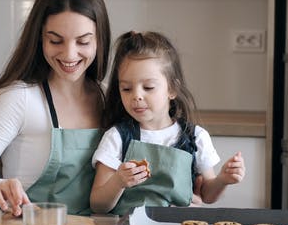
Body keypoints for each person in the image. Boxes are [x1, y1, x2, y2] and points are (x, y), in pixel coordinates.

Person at [0, 0, 111, 216]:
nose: (69, 54)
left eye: (83, 41)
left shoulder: (109, 98)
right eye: (56, 40)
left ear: (99, 40)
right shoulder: (18, 98)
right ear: (39, 38)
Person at [89, 31, 245, 215]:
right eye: (126, 88)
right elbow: (97, 204)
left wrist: (223, 179)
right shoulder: (117, 137)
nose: (136, 95)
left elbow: (207, 196)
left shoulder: (195, 137)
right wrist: (118, 181)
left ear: (172, 89)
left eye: (148, 87)